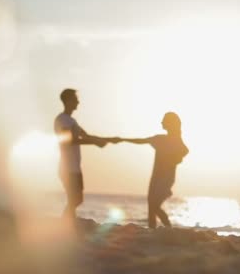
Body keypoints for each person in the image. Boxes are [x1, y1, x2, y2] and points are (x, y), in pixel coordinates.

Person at [114, 112, 189, 229]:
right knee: (151, 205)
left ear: (170, 123)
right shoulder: (159, 139)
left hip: (166, 178)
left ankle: (168, 227)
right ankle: (153, 229)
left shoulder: (173, 140)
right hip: (156, 177)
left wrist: (176, 159)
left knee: (154, 205)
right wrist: (122, 139)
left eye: (164, 120)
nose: (162, 122)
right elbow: (140, 141)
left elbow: (185, 151)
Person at [54, 88, 111, 219]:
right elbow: (69, 140)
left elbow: (86, 135)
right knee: (75, 199)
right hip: (67, 168)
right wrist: (95, 143)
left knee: (76, 200)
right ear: (68, 101)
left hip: (75, 167)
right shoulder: (62, 119)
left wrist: (104, 139)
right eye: (75, 99)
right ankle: (65, 224)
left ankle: (68, 225)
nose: (78, 102)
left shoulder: (72, 120)